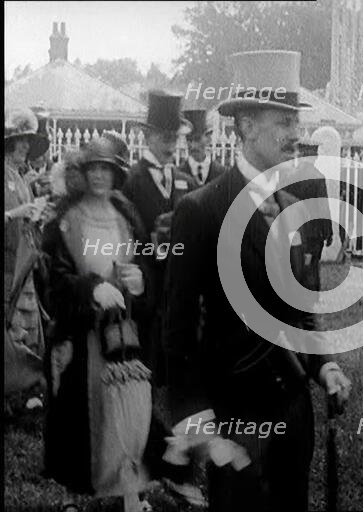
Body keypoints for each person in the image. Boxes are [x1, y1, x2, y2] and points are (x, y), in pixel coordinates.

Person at [164, 50, 351, 512]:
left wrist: (322, 364)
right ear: (245, 125)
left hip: (294, 407)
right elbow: (177, 327)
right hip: (236, 414)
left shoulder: (293, 203)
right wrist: (195, 418)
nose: (295, 135)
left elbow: (299, 306)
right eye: (284, 122)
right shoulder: (202, 210)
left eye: (296, 122)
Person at [42, 136, 155, 512]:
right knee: (82, 413)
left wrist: (139, 283)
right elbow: (54, 281)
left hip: (122, 329)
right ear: (83, 173)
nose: (100, 176)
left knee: (127, 404)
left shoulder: (127, 215)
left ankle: (129, 490)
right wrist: (91, 288)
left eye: (106, 168)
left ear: (116, 173)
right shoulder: (65, 219)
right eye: (93, 168)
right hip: (81, 333)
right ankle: (79, 489)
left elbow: (144, 265)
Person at [122, 90, 198, 383]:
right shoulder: (130, 180)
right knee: (147, 347)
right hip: (146, 281)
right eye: (165, 137)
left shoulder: (186, 181)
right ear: (148, 136)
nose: (171, 145)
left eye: (175, 138)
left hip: (177, 280)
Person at [5, 108, 51, 358]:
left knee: (27, 342)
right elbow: (13, 214)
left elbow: (28, 221)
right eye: (20, 141)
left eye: (28, 142)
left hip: (24, 267)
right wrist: (15, 213)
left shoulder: (21, 178)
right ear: (9, 143)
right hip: (7, 270)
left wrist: (39, 217)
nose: (25, 146)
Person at [282, 143, 333, 291]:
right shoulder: (318, 177)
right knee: (312, 264)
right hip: (313, 230)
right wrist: (328, 231)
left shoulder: (290, 175)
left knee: (296, 262)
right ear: (315, 157)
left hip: (293, 228)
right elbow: (323, 207)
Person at [178, 109, 227, 186]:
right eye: (189, 140)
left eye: (197, 139)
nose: (193, 146)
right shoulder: (178, 174)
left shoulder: (223, 174)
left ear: (208, 138)